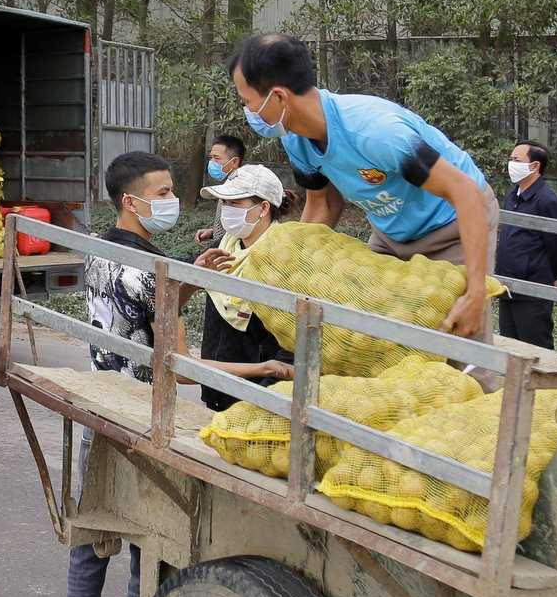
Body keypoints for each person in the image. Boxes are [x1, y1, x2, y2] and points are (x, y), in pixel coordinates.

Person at [58, 151, 227, 597]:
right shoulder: (146, 269)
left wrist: (188, 277)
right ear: (132, 201)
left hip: (102, 408)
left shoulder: (109, 252)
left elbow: (145, 307)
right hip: (146, 416)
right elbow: (171, 347)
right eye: (162, 192)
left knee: (92, 545)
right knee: (146, 551)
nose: (171, 199)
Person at [228, 33, 497, 336]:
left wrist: (475, 293)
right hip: (390, 231)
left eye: (247, 101)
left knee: (456, 341)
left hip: (452, 226)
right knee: (373, 335)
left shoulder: (375, 132)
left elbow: (467, 195)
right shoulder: (296, 140)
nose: (248, 112)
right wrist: (292, 268)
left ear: (278, 97)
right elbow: (323, 204)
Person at [196, 164, 299, 411]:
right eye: (224, 203)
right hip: (217, 385)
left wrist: (264, 396)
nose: (226, 210)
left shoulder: (285, 259)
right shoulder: (225, 246)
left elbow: (292, 342)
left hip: (257, 397)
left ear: (263, 208)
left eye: (235, 203)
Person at [495, 141, 557, 350]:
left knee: (535, 348)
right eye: (510, 159)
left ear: (534, 166)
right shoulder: (513, 196)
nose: (511, 164)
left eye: (516, 160)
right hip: (507, 286)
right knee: (509, 348)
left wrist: (554, 276)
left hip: (533, 288)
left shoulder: (547, 201)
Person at [192, 134, 250, 246]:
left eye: (216, 158)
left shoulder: (242, 192)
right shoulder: (228, 186)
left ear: (234, 162)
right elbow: (232, 228)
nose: (212, 162)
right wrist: (213, 233)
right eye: (211, 158)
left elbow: (243, 232)